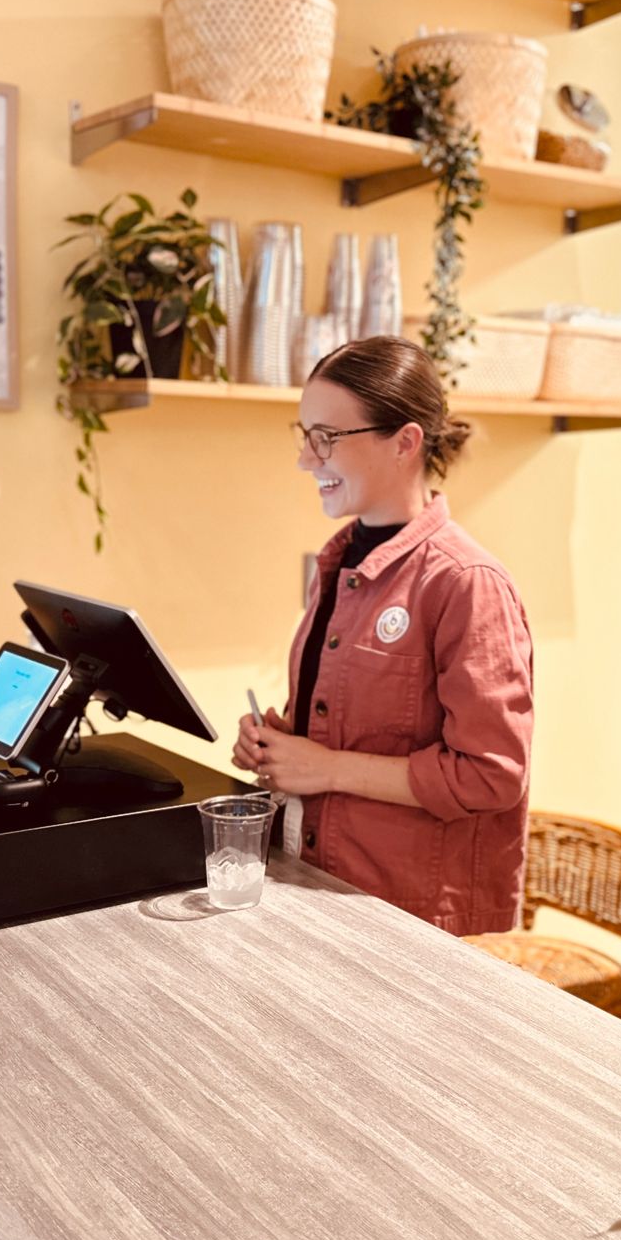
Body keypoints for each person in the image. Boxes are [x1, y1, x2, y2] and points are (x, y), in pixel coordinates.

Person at [232, 336, 533, 935]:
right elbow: (362, 730)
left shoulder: (466, 583)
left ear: (405, 441)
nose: (306, 460)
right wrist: (284, 745)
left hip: (409, 915)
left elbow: (492, 774)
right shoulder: (339, 564)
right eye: (304, 436)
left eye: (327, 438)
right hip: (322, 879)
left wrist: (326, 767)